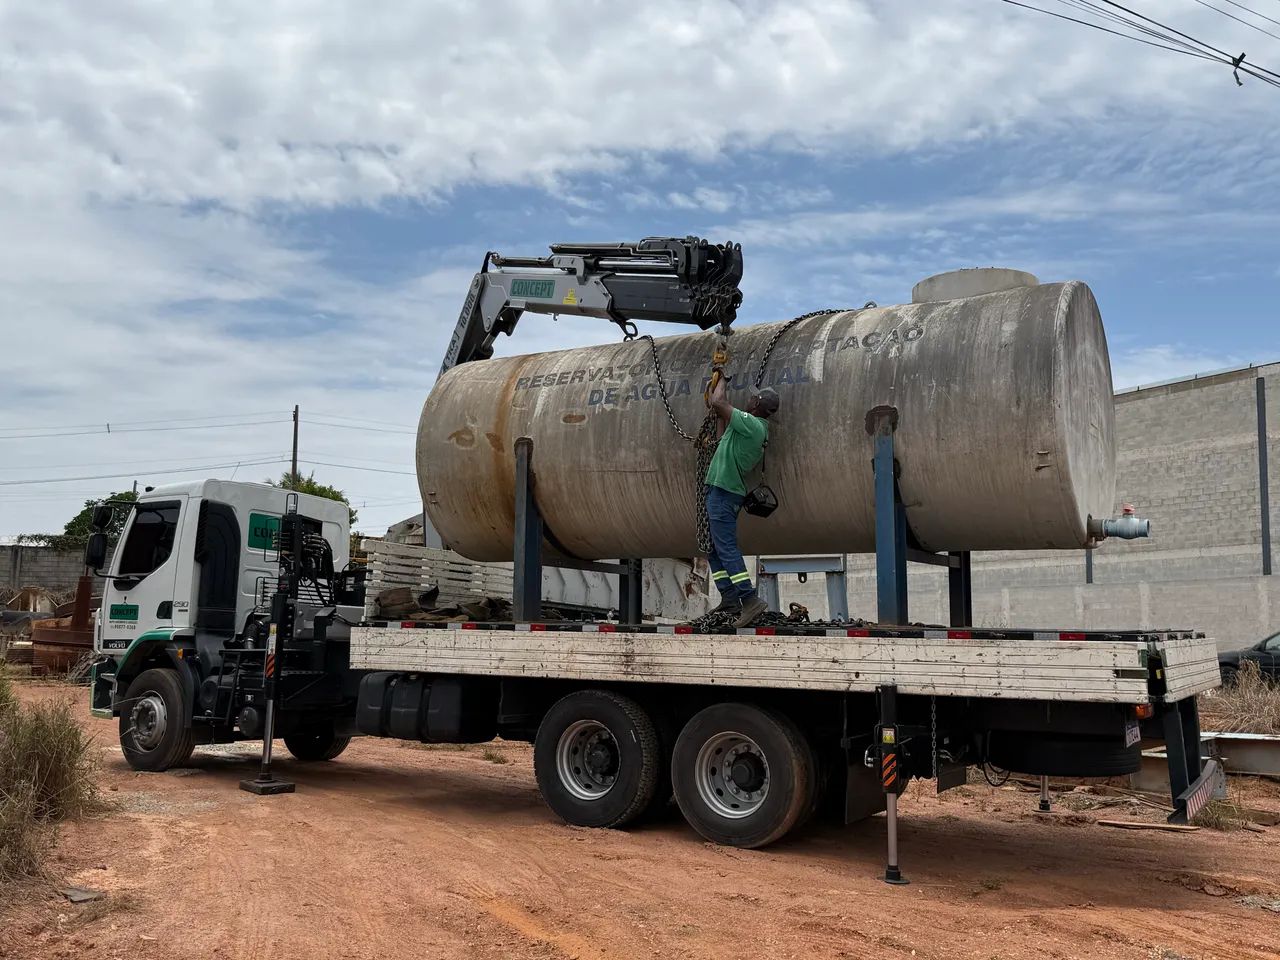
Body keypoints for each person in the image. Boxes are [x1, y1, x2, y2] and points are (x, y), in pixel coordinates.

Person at [703, 376, 780, 627]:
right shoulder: (744, 427)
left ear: (756, 403)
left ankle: (749, 600)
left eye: (752, 396)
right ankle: (729, 597)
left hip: (725, 492)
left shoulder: (752, 425)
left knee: (725, 547)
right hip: (719, 490)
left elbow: (718, 403)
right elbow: (722, 424)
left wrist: (722, 377)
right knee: (713, 547)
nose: (748, 398)